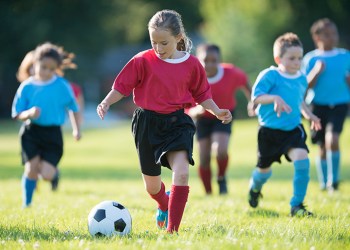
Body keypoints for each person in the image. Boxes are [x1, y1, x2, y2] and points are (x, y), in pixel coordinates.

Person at [96, 10, 232, 233]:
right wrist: (106, 102)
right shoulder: (142, 60)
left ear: (179, 38)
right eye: (154, 42)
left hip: (177, 123)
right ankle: (163, 202)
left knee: (182, 172)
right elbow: (122, 86)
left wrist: (217, 111)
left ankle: (172, 230)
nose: (158, 48)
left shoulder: (193, 65)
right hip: (147, 123)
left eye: (164, 43)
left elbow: (202, 95)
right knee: (151, 187)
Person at [248, 33, 321, 217]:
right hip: (269, 132)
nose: (297, 62)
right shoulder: (270, 75)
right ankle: (254, 188)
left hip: (292, 130)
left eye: (299, 58)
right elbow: (256, 98)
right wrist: (274, 98)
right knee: (264, 172)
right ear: (278, 58)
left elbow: (299, 102)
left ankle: (297, 206)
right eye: (292, 58)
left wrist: (310, 115)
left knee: (302, 160)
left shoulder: (302, 78)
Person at [12, 42, 81, 208]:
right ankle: (26, 204)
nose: (47, 72)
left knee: (46, 175)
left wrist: (76, 129)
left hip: (53, 134)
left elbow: (73, 108)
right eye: (43, 67)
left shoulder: (62, 86)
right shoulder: (26, 87)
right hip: (31, 132)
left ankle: (54, 174)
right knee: (31, 170)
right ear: (35, 63)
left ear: (57, 68)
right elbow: (17, 113)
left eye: (51, 69)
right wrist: (29, 113)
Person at [187, 44, 252, 195]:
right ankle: (209, 192)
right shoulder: (193, 77)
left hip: (224, 116)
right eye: (205, 60)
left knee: (220, 150)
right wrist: (194, 111)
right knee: (203, 157)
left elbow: (245, 83)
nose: (209, 64)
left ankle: (221, 178)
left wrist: (252, 101)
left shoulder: (231, 73)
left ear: (219, 60)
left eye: (213, 60)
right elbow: (184, 105)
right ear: (198, 60)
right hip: (202, 118)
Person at [302, 18, 350, 192]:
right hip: (317, 106)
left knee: (333, 139)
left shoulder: (345, 56)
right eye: (327, 35)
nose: (332, 37)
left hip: (339, 104)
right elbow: (305, 86)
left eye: (334, 34)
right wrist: (316, 72)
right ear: (317, 37)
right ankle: (324, 183)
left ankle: (334, 181)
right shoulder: (310, 59)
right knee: (322, 145)